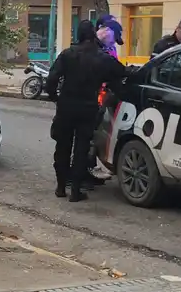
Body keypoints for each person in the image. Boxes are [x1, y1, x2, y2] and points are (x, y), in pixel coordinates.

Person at [47, 21, 127, 203]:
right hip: (88, 108)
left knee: (62, 147)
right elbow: (121, 72)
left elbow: (51, 79)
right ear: (92, 35)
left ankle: (60, 187)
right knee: (82, 149)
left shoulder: (67, 54)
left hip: (66, 106)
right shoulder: (102, 57)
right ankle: (76, 190)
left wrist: (55, 97)